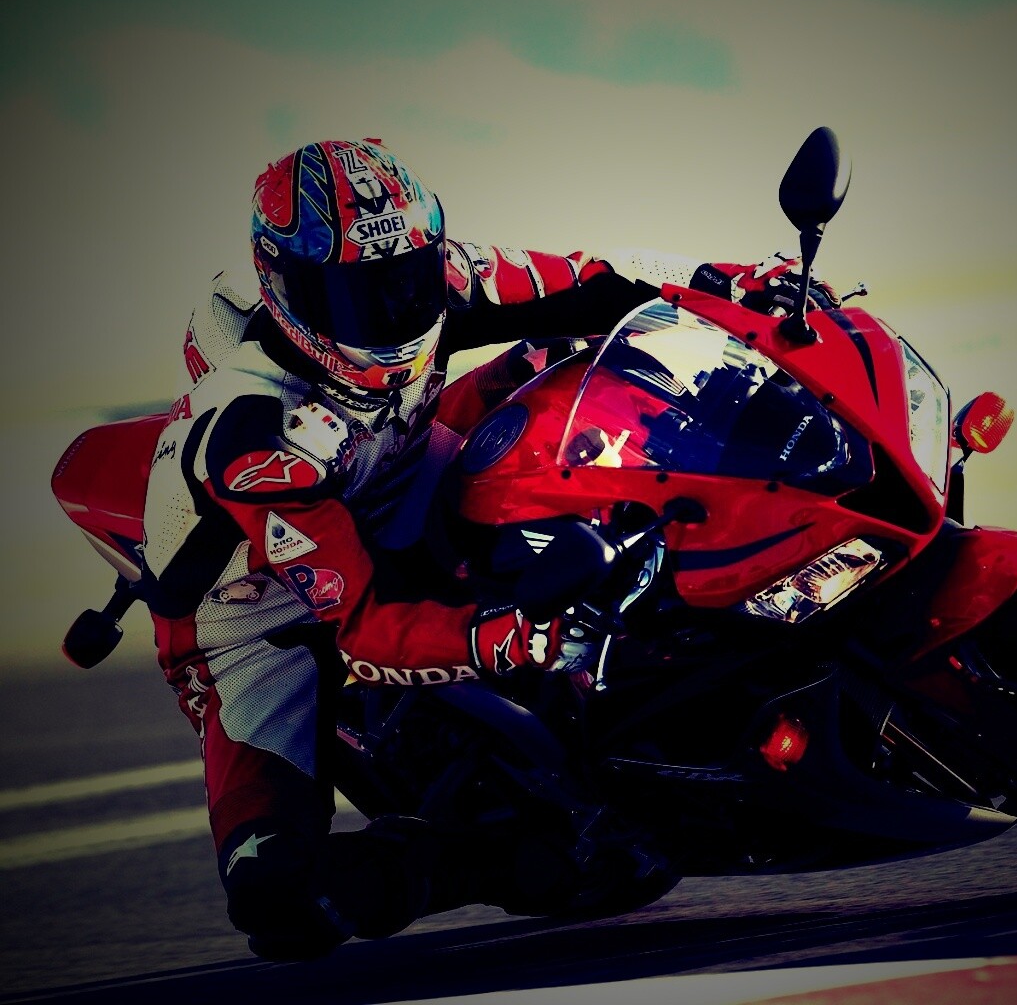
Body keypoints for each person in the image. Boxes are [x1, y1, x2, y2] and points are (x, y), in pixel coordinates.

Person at [141, 137, 834, 960]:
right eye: (359, 295)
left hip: (402, 466)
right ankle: (468, 860)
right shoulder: (256, 434)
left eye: (407, 276)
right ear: (288, 291)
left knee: (566, 363)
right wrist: (507, 637)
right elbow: (364, 630)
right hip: (261, 610)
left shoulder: (441, 276)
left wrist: (735, 284)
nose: (396, 308)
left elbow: (596, 278)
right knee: (280, 903)